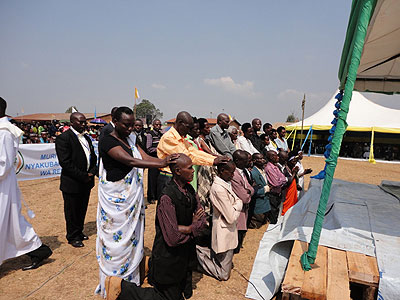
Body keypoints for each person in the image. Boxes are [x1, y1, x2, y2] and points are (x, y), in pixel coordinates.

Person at [95, 107, 179, 297]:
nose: (130, 128)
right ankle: (114, 281)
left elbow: (145, 157)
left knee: (134, 236)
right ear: (114, 121)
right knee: (116, 240)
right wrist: (163, 163)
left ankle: (131, 279)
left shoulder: (131, 138)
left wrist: (163, 161)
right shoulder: (107, 139)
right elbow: (130, 161)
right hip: (116, 201)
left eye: (133, 124)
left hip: (132, 200)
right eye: (126, 124)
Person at [101, 154, 206, 300]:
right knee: (163, 297)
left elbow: (202, 219)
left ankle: (149, 266)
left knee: (183, 292)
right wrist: (191, 228)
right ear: (177, 171)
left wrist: (186, 228)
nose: (193, 171)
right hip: (168, 257)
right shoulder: (167, 198)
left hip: (184, 256)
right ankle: (121, 288)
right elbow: (172, 238)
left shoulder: (190, 190)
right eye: (189, 168)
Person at [0, 97, 52, 270]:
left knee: (9, 222)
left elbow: (4, 164)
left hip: (3, 186)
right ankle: (38, 250)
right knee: (13, 223)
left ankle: (38, 250)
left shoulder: (4, 132)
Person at [157, 111, 228, 199]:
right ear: (180, 123)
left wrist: (214, 158)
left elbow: (194, 151)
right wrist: (213, 161)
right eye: (188, 127)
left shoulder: (180, 137)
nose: (188, 131)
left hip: (177, 177)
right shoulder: (169, 138)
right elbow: (188, 156)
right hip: (168, 177)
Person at [55, 112, 98, 248]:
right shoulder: (64, 138)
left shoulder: (87, 138)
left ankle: (79, 232)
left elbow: (93, 157)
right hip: (72, 182)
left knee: (82, 208)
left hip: (86, 181)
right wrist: (83, 175)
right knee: (72, 210)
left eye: (85, 122)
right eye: (81, 122)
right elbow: (65, 163)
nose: (84, 124)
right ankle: (72, 236)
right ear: (72, 122)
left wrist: (91, 172)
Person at [196, 161, 242, 281]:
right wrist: (238, 205)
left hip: (228, 229)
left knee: (223, 260)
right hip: (224, 229)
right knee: (223, 275)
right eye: (231, 172)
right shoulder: (218, 189)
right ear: (221, 171)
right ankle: (197, 255)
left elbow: (236, 201)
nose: (233, 175)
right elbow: (231, 216)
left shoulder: (226, 183)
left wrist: (236, 204)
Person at [231, 150, 254, 253]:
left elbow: (251, 188)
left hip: (244, 210)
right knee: (236, 237)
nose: (248, 162)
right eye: (245, 160)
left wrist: (249, 191)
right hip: (238, 211)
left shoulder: (242, 171)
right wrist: (249, 192)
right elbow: (244, 197)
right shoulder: (234, 175)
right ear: (237, 160)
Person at [249, 153, 271, 229]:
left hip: (265, 204)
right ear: (254, 161)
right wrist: (265, 189)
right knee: (256, 226)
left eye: (263, 158)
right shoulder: (253, 173)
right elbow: (253, 191)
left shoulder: (262, 170)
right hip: (258, 205)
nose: (263, 160)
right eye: (260, 159)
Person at [264, 150, 287, 224]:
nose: (278, 157)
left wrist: (281, 180)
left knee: (277, 212)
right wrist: (281, 180)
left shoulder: (276, 166)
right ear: (271, 157)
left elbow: (284, 178)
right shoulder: (269, 168)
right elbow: (276, 183)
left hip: (278, 193)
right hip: (272, 194)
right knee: (273, 214)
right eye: (276, 156)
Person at [146, 119, 163, 204]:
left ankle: (156, 195)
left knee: (158, 178)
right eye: (156, 125)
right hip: (152, 159)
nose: (158, 126)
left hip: (160, 159)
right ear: (153, 125)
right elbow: (149, 148)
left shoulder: (161, 134)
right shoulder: (150, 135)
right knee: (152, 178)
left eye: (159, 125)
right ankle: (151, 197)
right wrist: (159, 150)